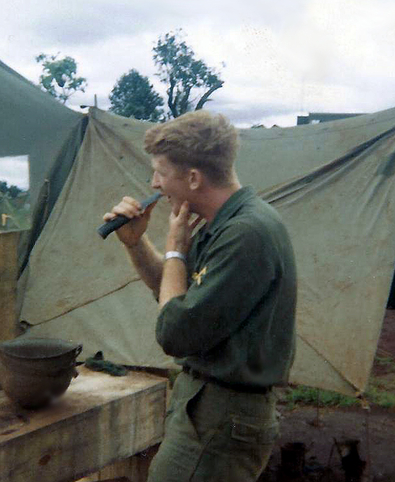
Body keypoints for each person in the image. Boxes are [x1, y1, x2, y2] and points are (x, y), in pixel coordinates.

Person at [103, 110, 297, 482]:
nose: (154, 184)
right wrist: (136, 244)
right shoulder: (221, 225)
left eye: (160, 172)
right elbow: (177, 296)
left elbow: (174, 332)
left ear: (193, 178)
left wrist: (175, 248)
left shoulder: (245, 233)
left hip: (221, 419)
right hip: (208, 409)